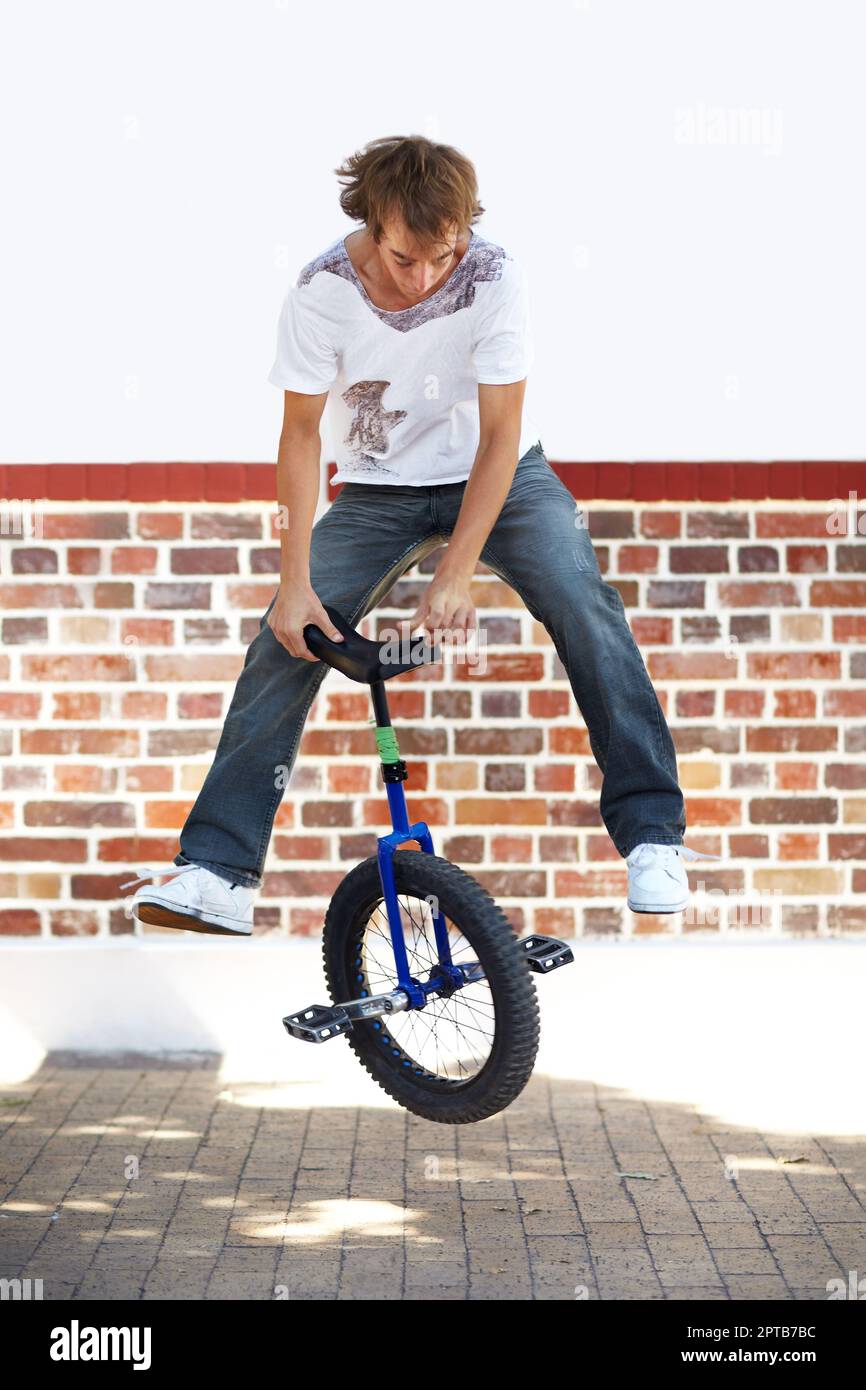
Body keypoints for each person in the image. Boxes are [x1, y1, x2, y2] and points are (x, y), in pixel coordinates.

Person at [124, 134, 712, 936]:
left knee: (583, 597)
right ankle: (220, 873)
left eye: (444, 254)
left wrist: (457, 570)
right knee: (284, 636)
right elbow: (300, 438)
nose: (428, 277)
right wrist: (294, 582)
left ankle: (652, 838)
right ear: (371, 223)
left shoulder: (495, 275)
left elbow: (501, 435)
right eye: (406, 258)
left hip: (501, 477)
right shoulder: (321, 291)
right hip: (376, 488)